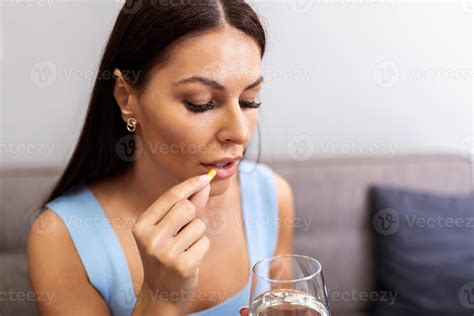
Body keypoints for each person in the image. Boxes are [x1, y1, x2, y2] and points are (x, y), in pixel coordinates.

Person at [28, 1, 295, 315]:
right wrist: (158, 298)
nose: (240, 133)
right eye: (202, 103)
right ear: (127, 98)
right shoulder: (60, 237)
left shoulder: (272, 196)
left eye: (250, 101)